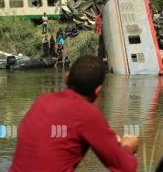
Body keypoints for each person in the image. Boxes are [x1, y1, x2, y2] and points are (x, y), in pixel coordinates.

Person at [9, 56, 139, 172]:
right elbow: (125, 167)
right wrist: (127, 147)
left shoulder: (41, 100)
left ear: (66, 77)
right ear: (98, 91)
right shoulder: (87, 114)